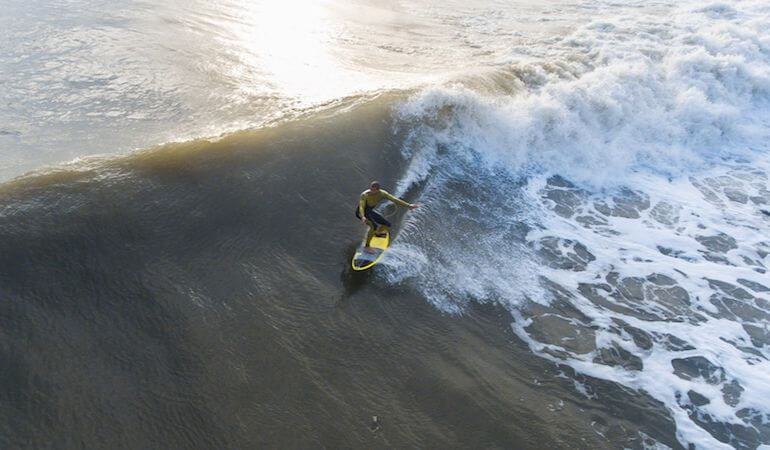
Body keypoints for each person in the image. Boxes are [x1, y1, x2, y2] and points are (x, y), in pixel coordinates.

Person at [355, 181, 418, 247]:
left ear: (378, 190)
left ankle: (377, 233)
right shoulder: (365, 195)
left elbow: (394, 199)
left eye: (373, 190)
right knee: (374, 226)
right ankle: (367, 246)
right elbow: (361, 206)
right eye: (371, 189)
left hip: (369, 212)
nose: (371, 191)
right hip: (360, 212)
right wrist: (362, 217)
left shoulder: (382, 194)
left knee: (387, 224)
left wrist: (408, 205)